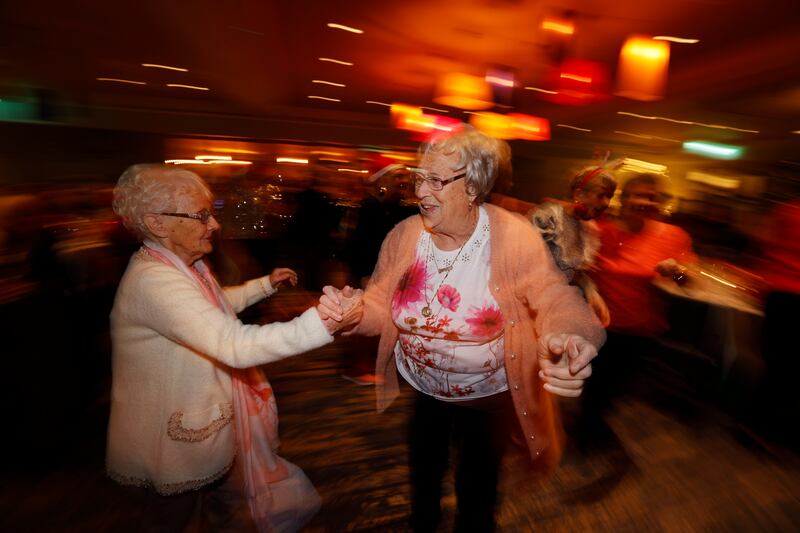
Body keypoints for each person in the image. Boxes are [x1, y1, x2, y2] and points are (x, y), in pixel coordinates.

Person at [320, 125, 605, 532]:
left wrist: (573, 333)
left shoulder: (512, 236)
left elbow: (553, 294)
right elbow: (381, 306)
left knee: (477, 490)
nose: (420, 192)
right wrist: (353, 313)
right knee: (423, 477)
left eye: (436, 180)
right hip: (424, 388)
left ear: (473, 187)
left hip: (487, 395)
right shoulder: (404, 236)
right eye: (420, 178)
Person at [106, 164, 362, 532]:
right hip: (174, 440)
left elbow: (211, 306)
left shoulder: (182, 264)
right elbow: (233, 344)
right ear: (157, 223)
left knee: (226, 502)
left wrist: (263, 286)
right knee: (176, 518)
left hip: (202, 421)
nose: (214, 225)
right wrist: (321, 323)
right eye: (201, 216)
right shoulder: (155, 282)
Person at [583, 173, 697, 448]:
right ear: (623, 199)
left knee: (620, 383)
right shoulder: (600, 231)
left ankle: (595, 422)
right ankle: (588, 431)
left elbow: (688, 283)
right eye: (637, 194)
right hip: (601, 325)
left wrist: (677, 273)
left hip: (643, 327)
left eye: (651, 196)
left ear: (660, 203)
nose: (643, 201)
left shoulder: (673, 236)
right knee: (597, 383)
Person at [530, 162, 619, 326]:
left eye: (610, 197)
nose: (607, 203)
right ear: (579, 193)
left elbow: (578, 272)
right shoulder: (548, 216)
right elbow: (534, 266)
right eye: (601, 195)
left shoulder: (589, 229)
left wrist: (592, 294)